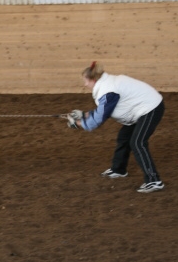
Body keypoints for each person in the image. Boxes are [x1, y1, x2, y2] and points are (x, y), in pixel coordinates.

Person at [66, 61, 165, 193]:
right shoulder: (106, 84)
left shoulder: (108, 90)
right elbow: (104, 109)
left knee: (137, 142)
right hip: (139, 108)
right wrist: (84, 114)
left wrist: (78, 123)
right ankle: (118, 170)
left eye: (86, 81)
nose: (85, 85)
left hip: (150, 108)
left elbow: (100, 118)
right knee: (124, 137)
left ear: (94, 80)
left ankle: (154, 181)